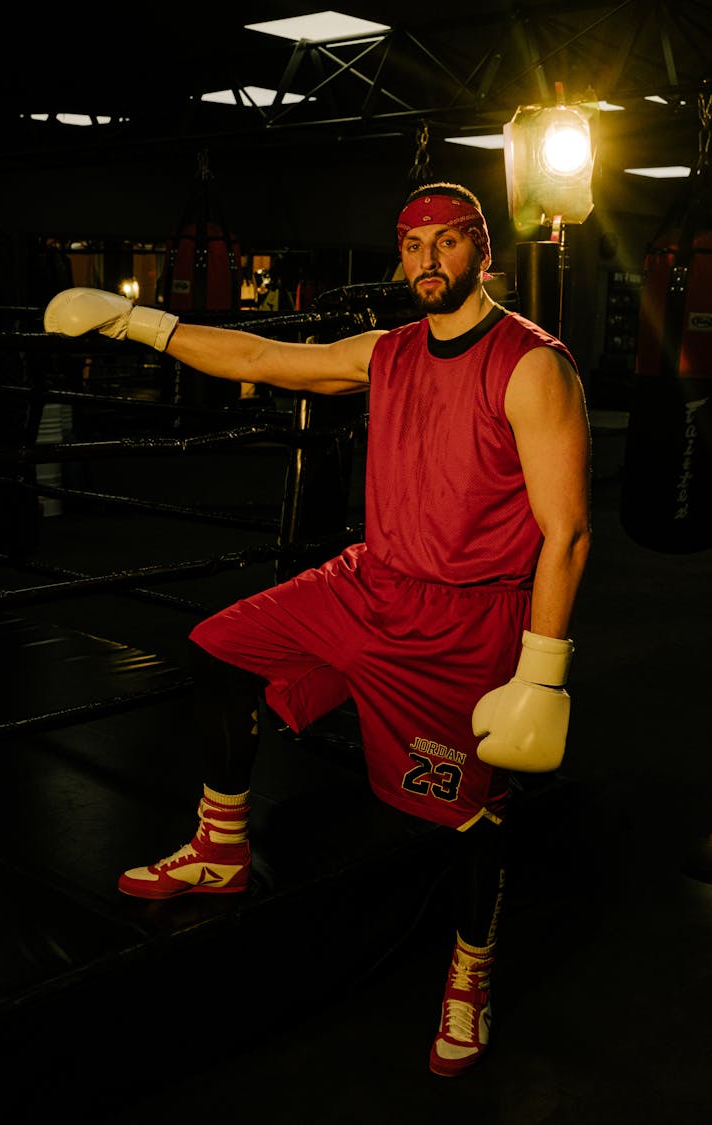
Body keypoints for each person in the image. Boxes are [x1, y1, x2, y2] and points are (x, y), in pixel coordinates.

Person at [43, 182, 592, 1078]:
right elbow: (264, 354)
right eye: (413, 246)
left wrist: (543, 669)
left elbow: (566, 530)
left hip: (462, 624)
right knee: (218, 647)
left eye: (447, 244)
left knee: (465, 818)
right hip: (370, 582)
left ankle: (470, 970)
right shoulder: (388, 352)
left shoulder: (532, 364)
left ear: (481, 251)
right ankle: (221, 846)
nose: (427, 261)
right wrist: (137, 326)